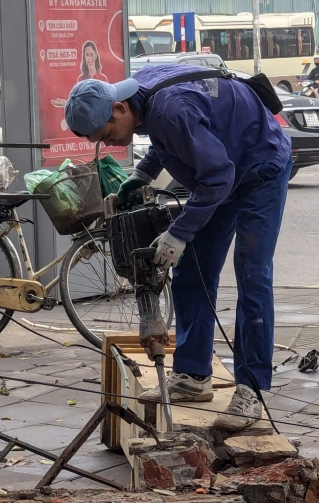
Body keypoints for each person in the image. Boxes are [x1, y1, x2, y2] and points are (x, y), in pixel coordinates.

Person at [65, 65, 293, 432]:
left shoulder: (171, 107)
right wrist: (141, 175)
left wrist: (179, 232)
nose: (110, 143)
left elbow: (216, 175)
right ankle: (193, 374)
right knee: (193, 269)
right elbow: (170, 138)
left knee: (252, 274)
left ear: (119, 109)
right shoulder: (140, 92)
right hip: (222, 170)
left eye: (108, 133)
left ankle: (252, 391)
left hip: (259, 167)